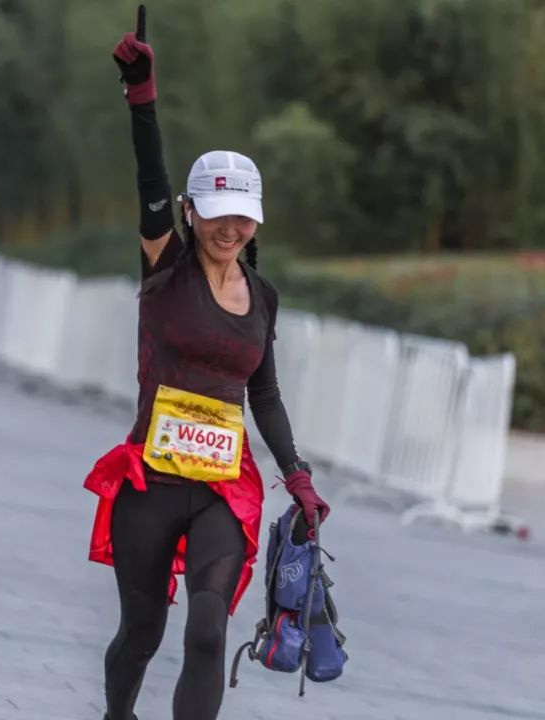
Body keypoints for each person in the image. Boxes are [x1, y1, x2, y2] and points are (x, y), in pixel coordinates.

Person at [82, 10, 331, 720]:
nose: (230, 228)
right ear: (191, 212)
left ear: (257, 219)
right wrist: (142, 100)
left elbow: (267, 395)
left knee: (207, 628)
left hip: (224, 486)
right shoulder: (165, 269)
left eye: (243, 216)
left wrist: (299, 477)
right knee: (141, 633)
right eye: (217, 213)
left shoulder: (264, 296)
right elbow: (150, 178)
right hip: (152, 480)